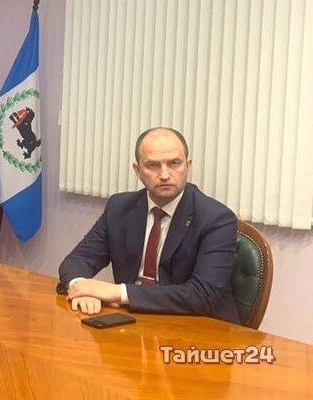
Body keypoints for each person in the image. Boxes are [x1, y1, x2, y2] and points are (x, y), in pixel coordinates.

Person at [57, 127, 239, 323]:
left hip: (198, 329)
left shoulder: (216, 218)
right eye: (153, 165)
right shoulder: (120, 207)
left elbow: (202, 296)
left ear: (187, 165)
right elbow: (77, 260)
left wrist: (118, 292)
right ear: (137, 170)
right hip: (131, 321)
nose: (164, 174)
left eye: (174, 163)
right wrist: (82, 288)